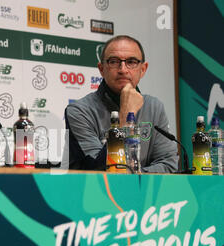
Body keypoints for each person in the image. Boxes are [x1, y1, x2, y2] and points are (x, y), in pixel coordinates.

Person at [62, 35, 178, 173]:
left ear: (143, 69)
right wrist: (125, 117)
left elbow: (169, 165)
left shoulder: (154, 107)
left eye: (132, 61)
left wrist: (132, 177)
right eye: (114, 61)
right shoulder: (79, 111)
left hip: (144, 193)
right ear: (101, 69)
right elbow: (96, 168)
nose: (123, 69)